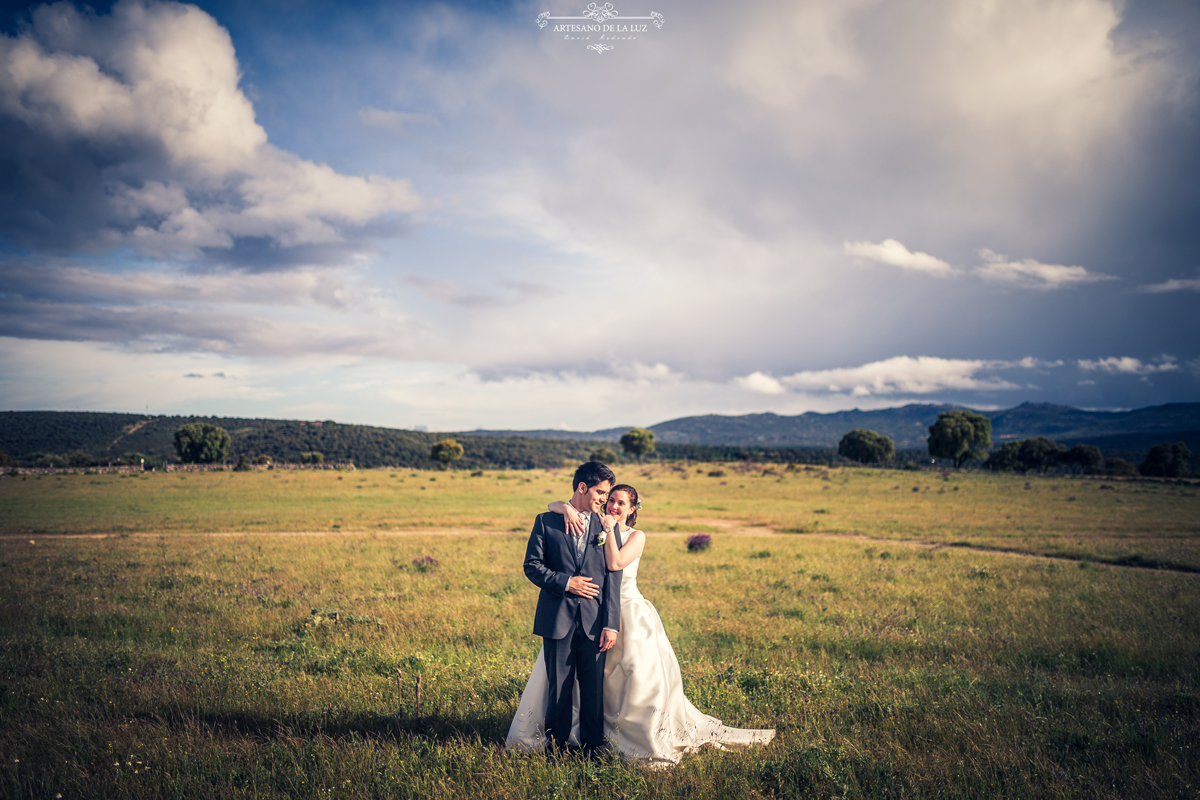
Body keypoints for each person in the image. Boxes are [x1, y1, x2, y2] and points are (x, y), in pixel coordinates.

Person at [508, 481, 775, 766]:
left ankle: (635, 735)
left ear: (633, 509)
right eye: (611, 499)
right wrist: (563, 507)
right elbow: (564, 507)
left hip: (628, 614)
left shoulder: (633, 534)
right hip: (591, 613)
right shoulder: (595, 523)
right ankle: (575, 735)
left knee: (635, 676)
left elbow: (614, 565)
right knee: (587, 678)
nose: (613, 505)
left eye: (622, 502)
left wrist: (608, 530)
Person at [517, 461, 622, 755]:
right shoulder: (546, 521)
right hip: (557, 618)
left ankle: (593, 747)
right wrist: (566, 583)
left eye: (608, 494)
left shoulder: (606, 525)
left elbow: (614, 577)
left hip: (595, 621)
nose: (605, 500)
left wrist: (611, 623)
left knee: (593, 689)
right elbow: (532, 566)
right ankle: (556, 747)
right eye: (601, 492)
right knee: (559, 687)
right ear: (581, 487)